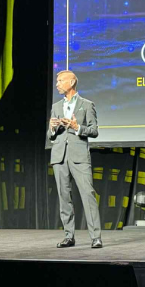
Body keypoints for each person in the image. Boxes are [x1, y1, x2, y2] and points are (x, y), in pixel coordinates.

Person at [46, 70, 102, 249]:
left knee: (88, 194)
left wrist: (77, 127)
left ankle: (96, 237)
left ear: (71, 83)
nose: (57, 84)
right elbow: (51, 136)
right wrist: (52, 128)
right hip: (59, 156)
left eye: (60, 81)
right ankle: (69, 236)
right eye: (57, 81)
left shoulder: (87, 105)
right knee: (64, 197)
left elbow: (94, 131)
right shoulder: (56, 107)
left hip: (79, 156)